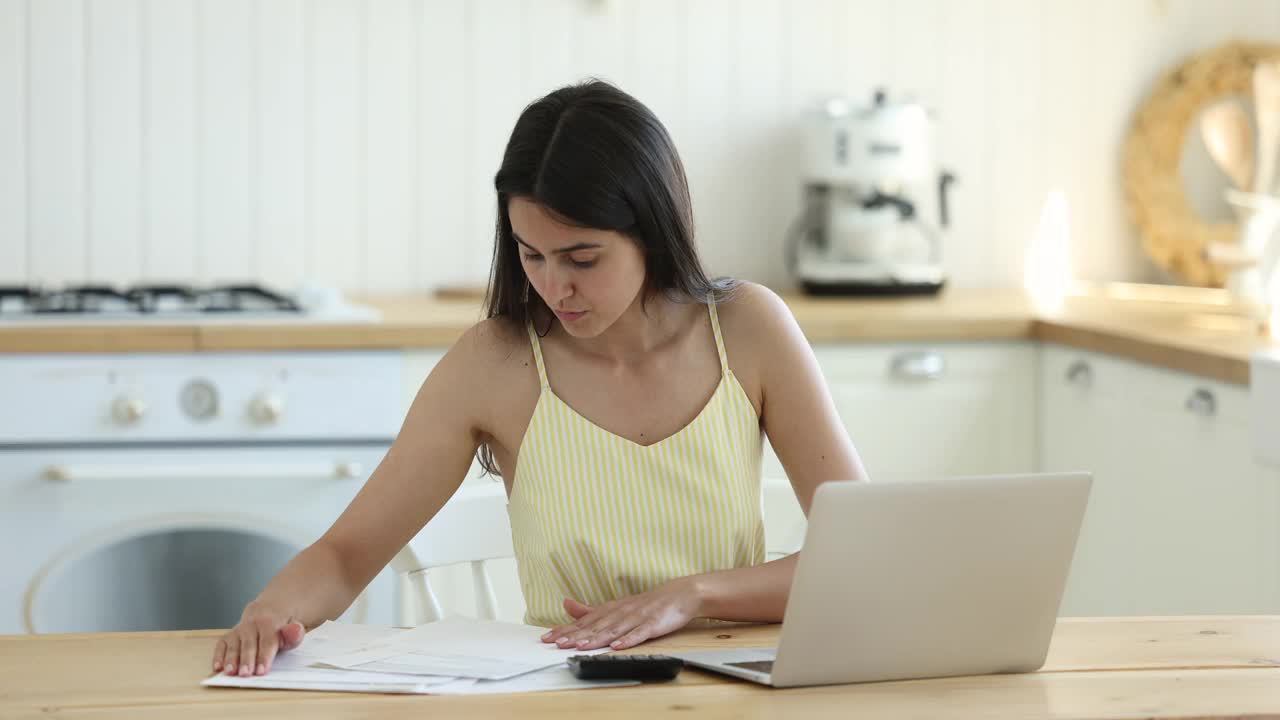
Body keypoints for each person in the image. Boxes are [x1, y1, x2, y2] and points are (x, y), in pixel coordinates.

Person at [212, 79, 866, 678]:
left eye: (583, 258)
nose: (555, 286)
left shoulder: (749, 329)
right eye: (532, 255)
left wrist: (692, 594)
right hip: (565, 689)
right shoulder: (493, 363)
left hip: (736, 684)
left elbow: (863, 553)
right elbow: (347, 555)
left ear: (653, 231)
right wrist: (269, 610)